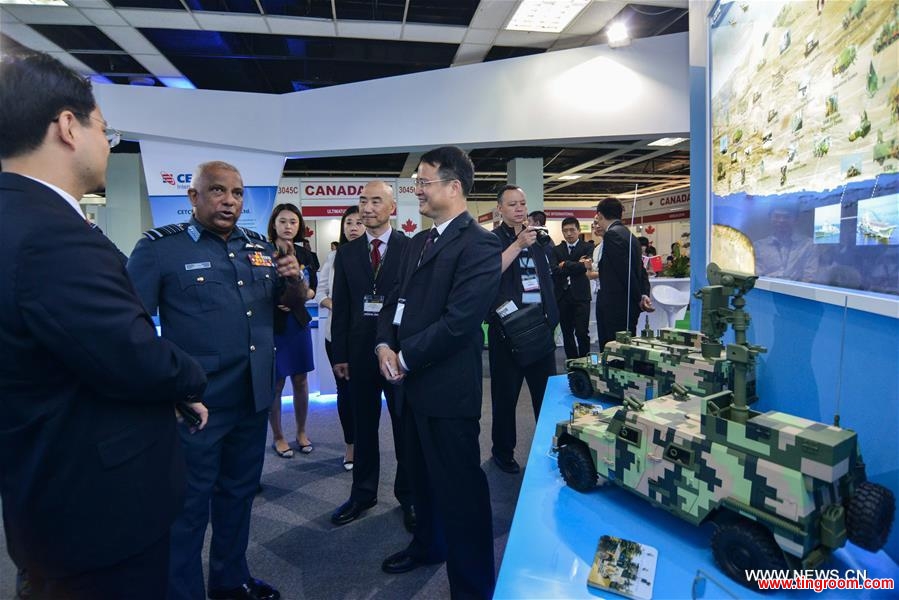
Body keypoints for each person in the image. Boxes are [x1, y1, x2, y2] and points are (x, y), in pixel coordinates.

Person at [0, 51, 208, 600]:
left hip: (51, 491)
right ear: (68, 126)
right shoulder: (50, 234)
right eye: (104, 127)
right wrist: (190, 374)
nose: (107, 142)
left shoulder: (21, 218)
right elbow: (132, 354)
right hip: (97, 511)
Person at [128, 161, 303, 600]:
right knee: (186, 509)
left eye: (238, 193)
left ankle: (230, 581)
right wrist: (163, 388)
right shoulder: (160, 249)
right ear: (194, 197)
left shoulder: (259, 248)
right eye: (219, 191)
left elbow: (289, 312)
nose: (230, 201)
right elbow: (130, 325)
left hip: (253, 398)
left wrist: (295, 282)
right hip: (198, 406)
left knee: (239, 495)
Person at [376, 146, 501, 599]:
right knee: (421, 478)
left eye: (424, 182)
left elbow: (460, 322)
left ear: (454, 186)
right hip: (409, 389)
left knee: (461, 493)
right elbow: (394, 300)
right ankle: (428, 544)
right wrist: (383, 343)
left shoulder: (480, 244)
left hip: (447, 393)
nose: (417, 191)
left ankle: (472, 587)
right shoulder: (419, 242)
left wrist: (404, 358)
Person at [330, 180, 415, 530]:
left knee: (404, 427)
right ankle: (362, 493)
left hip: (397, 354)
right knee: (363, 427)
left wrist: (406, 352)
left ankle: (409, 496)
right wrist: (340, 355)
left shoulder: (410, 248)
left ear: (392, 207)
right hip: (358, 353)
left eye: (375, 201)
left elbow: (415, 306)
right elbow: (342, 307)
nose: (366, 208)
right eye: (362, 201)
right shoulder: (347, 253)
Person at [488, 185, 559, 474]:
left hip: (539, 329)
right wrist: (517, 245)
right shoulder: (492, 241)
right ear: (500, 210)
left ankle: (550, 448)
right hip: (508, 332)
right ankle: (502, 452)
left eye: (523, 203)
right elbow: (487, 277)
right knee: (505, 397)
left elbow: (547, 280)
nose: (519, 209)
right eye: (512, 204)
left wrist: (551, 319)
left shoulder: (539, 240)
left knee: (546, 397)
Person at [267, 203, 318, 457]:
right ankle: (278, 436)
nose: (288, 226)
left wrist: (299, 296)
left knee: (301, 379)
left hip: (298, 324)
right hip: (273, 326)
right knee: (276, 383)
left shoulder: (306, 254)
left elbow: (313, 290)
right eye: (283, 221)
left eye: (293, 222)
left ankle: (300, 432)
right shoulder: (261, 252)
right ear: (274, 223)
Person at [320, 207, 365, 470]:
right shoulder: (335, 257)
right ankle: (351, 445)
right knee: (345, 393)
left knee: (367, 393)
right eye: (349, 222)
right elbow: (320, 292)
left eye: (358, 222)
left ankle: (367, 443)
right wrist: (339, 305)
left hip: (370, 337)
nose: (353, 227)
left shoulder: (378, 255)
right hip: (337, 336)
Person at [593, 197, 654, 350]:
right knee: (626, 349)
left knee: (613, 350)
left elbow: (625, 273)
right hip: (626, 305)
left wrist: (638, 297)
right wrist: (644, 293)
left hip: (616, 306)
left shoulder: (612, 235)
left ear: (600, 215)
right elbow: (641, 269)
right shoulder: (630, 235)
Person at [552, 217, 593, 358]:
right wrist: (578, 265)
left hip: (581, 295)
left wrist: (565, 264)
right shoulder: (556, 249)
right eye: (565, 231)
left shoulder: (587, 247)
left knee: (582, 332)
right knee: (567, 332)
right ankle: (572, 361)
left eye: (572, 230)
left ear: (578, 230)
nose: (569, 234)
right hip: (562, 296)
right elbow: (555, 270)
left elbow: (587, 266)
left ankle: (585, 360)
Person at [752, 205, 816, 282]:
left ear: (796, 220)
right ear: (770, 218)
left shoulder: (808, 245)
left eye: (787, 217)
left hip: (796, 292)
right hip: (765, 291)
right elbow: (756, 275)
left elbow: (810, 276)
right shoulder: (758, 246)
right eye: (777, 216)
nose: (781, 220)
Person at [586, 216, 605, 349]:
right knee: (602, 330)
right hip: (600, 292)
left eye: (599, 223)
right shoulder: (597, 248)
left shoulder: (614, 245)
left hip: (613, 294)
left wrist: (593, 273)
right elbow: (590, 273)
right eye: (594, 224)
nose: (596, 226)